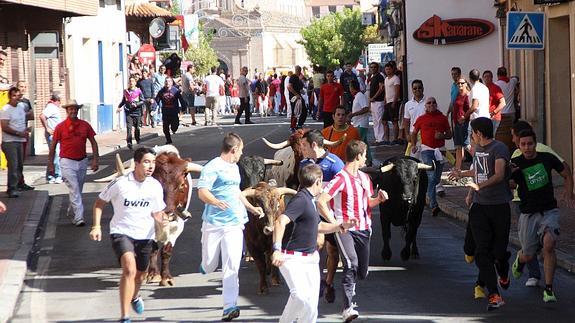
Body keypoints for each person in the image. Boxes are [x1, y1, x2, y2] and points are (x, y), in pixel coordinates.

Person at [90, 147, 167, 323]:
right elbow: (99, 203)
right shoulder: (120, 183)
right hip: (121, 232)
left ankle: (134, 296)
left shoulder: (155, 186)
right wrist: (96, 226)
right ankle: (125, 316)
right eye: (147, 162)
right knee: (129, 269)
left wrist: (163, 220)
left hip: (145, 235)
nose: (151, 166)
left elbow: (158, 212)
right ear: (137, 163)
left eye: (153, 162)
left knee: (140, 275)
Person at [271, 164, 356, 323]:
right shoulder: (301, 199)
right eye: (322, 183)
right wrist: (277, 249)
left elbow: (318, 226)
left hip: (310, 259)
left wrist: (339, 226)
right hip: (292, 258)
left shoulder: (310, 200)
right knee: (301, 297)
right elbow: (280, 222)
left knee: (311, 307)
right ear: (318, 181)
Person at [317, 140, 388, 322]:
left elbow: (367, 203)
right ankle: (347, 308)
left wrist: (378, 199)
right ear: (358, 156)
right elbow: (321, 201)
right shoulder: (340, 178)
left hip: (364, 229)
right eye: (365, 155)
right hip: (345, 229)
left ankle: (351, 286)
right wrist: (336, 224)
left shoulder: (365, 178)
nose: (366, 159)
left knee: (362, 271)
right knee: (350, 263)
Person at [197, 133, 264, 321]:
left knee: (232, 266)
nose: (241, 154)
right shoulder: (212, 167)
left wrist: (251, 208)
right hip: (213, 223)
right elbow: (202, 192)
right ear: (233, 150)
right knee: (210, 265)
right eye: (241, 151)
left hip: (234, 223)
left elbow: (237, 193)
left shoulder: (235, 168)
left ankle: (229, 306)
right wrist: (216, 202)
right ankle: (205, 264)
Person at [449, 117, 512, 311]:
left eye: (472, 133)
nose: (471, 136)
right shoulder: (477, 150)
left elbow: (499, 174)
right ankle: (494, 294)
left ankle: (503, 269)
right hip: (480, 206)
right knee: (481, 252)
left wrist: (479, 186)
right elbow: (478, 170)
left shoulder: (499, 148)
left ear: (479, 133)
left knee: (499, 252)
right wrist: (462, 175)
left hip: (499, 206)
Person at [509, 129, 574, 303]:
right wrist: (511, 176)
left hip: (549, 210)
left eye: (530, 144)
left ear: (535, 143)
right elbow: (509, 184)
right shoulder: (515, 162)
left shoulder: (546, 158)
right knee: (529, 254)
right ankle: (520, 259)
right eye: (523, 144)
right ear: (519, 145)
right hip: (528, 213)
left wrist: (569, 192)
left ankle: (549, 289)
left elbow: (566, 172)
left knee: (549, 244)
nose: (527, 147)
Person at [299, 130, 344, 303]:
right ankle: (315, 281)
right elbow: (301, 190)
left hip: (330, 214)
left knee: (332, 251)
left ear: (314, 145)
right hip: (311, 215)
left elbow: (343, 187)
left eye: (304, 145)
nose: (301, 149)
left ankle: (329, 282)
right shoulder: (303, 164)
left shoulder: (334, 163)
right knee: (315, 246)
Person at [48, 100, 99, 227]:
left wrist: (95, 160)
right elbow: (53, 145)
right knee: (75, 188)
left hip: (82, 161)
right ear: (67, 111)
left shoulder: (85, 125)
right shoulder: (60, 127)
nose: (73, 111)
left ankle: (73, 210)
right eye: (70, 109)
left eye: (75, 109)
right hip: (66, 161)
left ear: (78, 110)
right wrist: (50, 164)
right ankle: (79, 217)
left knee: (78, 189)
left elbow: (93, 142)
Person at [411, 97, 452, 217]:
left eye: (434, 102)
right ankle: (434, 205)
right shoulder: (421, 119)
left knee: (436, 179)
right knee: (432, 175)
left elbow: (450, 134)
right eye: (429, 103)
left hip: (440, 151)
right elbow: (413, 133)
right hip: (426, 150)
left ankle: (423, 194)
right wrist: (414, 145)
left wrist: (443, 136)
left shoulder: (443, 118)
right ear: (426, 106)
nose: (432, 104)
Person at [1, 86, 33, 197]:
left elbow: (29, 117)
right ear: (10, 96)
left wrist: (26, 129)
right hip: (10, 142)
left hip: (20, 140)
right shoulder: (5, 109)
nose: (16, 98)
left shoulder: (21, 107)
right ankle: (12, 189)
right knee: (13, 165)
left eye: (18, 95)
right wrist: (19, 133)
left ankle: (16, 185)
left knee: (19, 165)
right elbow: (4, 127)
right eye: (13, 95)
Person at [347, 79, 372, 166]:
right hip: (358, 122)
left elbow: (366, 108)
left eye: (350, 87)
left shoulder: (360, 96)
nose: (350, 90)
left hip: (361, 123)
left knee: (358, 143)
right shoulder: (357, 96)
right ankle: (369, 160)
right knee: (364, 142)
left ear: (352, 88)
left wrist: (353, 114)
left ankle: (361, 160)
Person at [40, 92, 63, 184]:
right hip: (52, 135)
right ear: (57, 101)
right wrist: (47, 128)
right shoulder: (51, 107)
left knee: (53, 155)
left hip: (55, 134)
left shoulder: (52, 107)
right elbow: (42, 116)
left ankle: (50, 175)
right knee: (56, 155)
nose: (60, 103)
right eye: (60, 101)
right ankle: (57, 175)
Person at [494, 67, 519, 150]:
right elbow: (516, 77)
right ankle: (512, 148)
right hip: (511, 112)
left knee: (501, 134)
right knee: (511, 132)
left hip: (501, 112)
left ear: (497, 75)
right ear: (506, 73)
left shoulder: (496, 84)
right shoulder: (512, 82)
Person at [155, 77, 186, 144]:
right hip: (165, 112)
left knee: (175, 126)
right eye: (166, 81)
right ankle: (168, 140)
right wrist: (153, 108)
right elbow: (157, 100)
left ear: (171, 83)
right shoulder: (161, 91)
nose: (167, 83)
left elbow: (181, 99)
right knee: (165, 128)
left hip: (174, 111)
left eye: (169, 81)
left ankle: (173, 129)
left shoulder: (176, 91)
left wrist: (183, 107)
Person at [118, 77, 144, 150]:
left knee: (137, 128)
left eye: (133, 81)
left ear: (135, 83)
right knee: (129, 128)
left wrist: (137, 104)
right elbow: (123, 101)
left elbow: (142, 101)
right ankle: (129, 142)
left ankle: (137, 138)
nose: (131, 82)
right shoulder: (126, 91)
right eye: (130, 81)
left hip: (137, 112)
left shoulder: (138, 91)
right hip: (128, 112)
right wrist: (119, 106)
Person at [403, 79, 427, 159]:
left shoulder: (429, 102)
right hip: (413, 134)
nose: (417, 90)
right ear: (412, 90)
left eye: (419, 87)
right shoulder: (408, 104)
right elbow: (406, 121)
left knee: (425, 157)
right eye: (415, 88)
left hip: (426, 133)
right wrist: (407, 134)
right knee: (413, 158)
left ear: (423, 88)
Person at [452, 78, 471, 170]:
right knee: (458, 147)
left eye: (462, 83)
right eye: (458, 83)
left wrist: (464, 118)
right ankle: (457, 169)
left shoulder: (468, 95)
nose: (460, 85)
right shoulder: (458, 95)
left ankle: (480, 161)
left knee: (467, 145)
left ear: (466, 84)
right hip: (457, 124)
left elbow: (471, 109)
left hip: (465, 124)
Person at [483, 70, 506, 136]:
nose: (487, 78)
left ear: (492, 78)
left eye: (488, 76)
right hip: (486, 117)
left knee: (491, 137)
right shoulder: (484, 89)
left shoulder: (496, 88)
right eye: (485, 77)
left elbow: (503, 103)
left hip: (494, 118)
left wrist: (493, 112)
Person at [383, 62, 401, 145]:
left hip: (394, 102)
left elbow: (397, 91)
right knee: (384, 120)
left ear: (392, 69)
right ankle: (386, 139)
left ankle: (395, 139)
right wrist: (385, 101)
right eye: (386, 69)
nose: (387, 71)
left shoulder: (396, 78)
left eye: (389, 69)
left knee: (394, 121)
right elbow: (386, 91)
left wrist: (394, 102)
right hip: (387, 102)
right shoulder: (386, 79)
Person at [368, 62, 385, 145]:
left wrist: (374, 97)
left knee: (379, 120)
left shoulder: (380, 77)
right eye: (371, 67)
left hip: (378, 101)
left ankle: (380, 139)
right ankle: (377, 138)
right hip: (373, 102)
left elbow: (381, 88)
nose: (373, 68)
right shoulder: (372, 77)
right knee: (375, 120)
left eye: (374, 67)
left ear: (377, 68)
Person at [288, 66, 307, 131]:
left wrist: (302, 92)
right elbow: (289, 87)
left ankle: (298, 124)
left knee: (303, 110)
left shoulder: (298, 79)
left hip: (298, 96)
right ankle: (293, 126)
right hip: (294, 97)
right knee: (295, 111)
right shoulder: (293, 77)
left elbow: (300, 88)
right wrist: (296, 94)